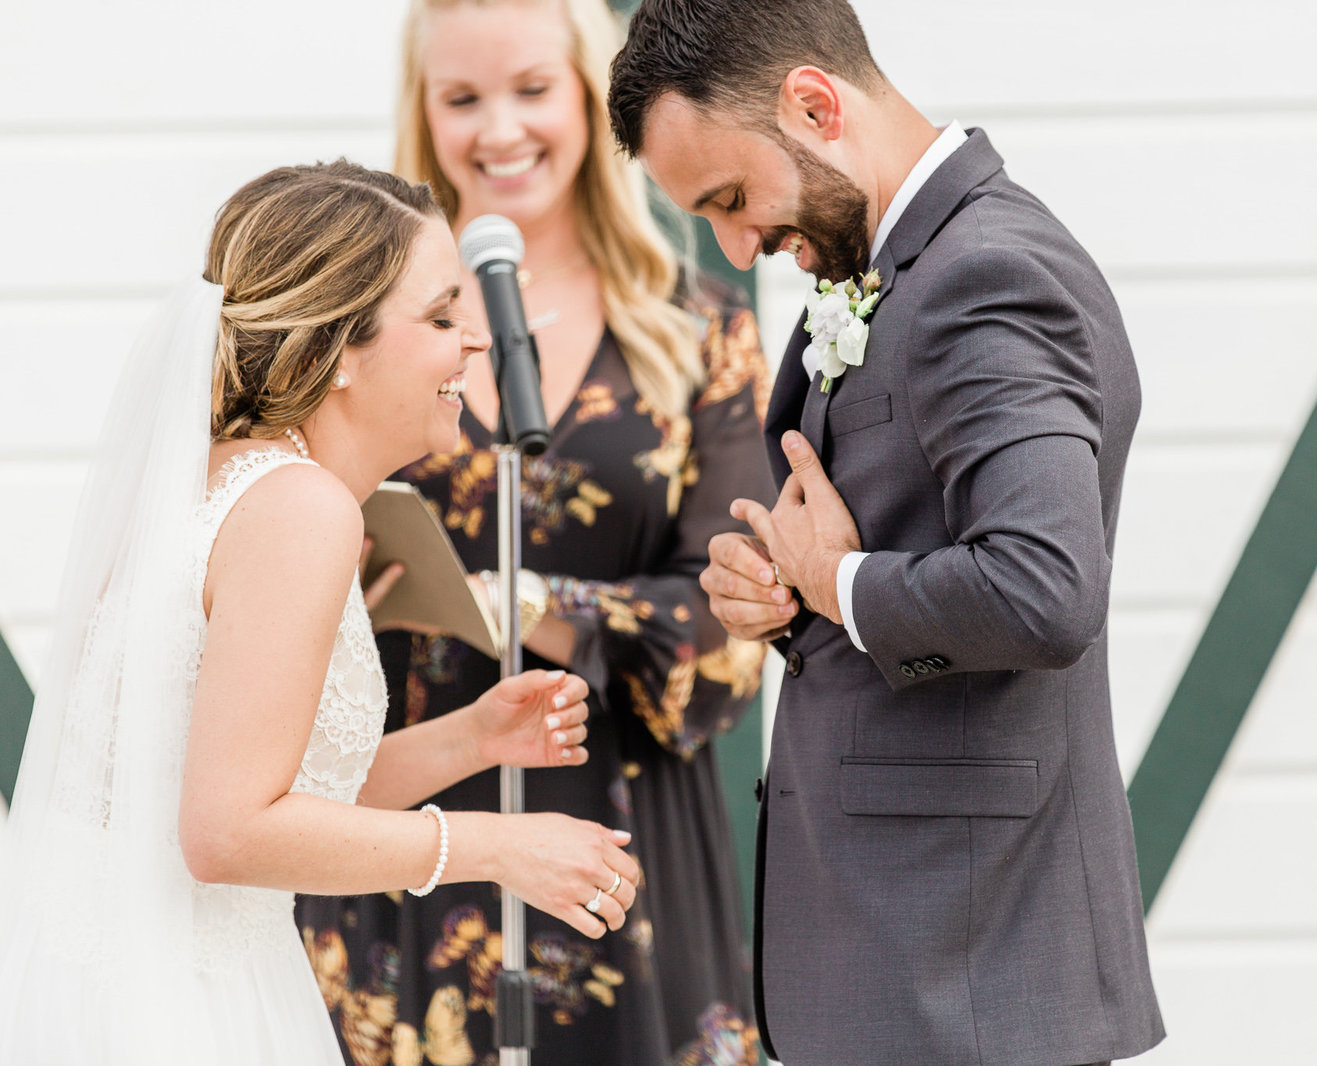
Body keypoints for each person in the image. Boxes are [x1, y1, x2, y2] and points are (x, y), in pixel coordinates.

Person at [608, 1, 1167, 1064]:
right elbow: (897, 534)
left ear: (814, 105)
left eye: (732, 199)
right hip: (906, 967)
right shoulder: (898, 263)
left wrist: (839, 581)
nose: (740, 247)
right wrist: (779, 585)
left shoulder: (982, 276)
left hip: (968, 981)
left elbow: (1044, 588)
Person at [0, 160, 642, 1066]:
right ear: (343, 349)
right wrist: (500, 847)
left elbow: (251, 786)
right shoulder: (300, 510)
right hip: (181, 1006)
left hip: (127, 978)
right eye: (440, 316)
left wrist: (470, 739)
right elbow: (226, 833)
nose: (474, 343)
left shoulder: (225, 481)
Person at [292, 2, 773, 1064]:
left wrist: (520, 602)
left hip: (622, 848)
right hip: (406, 842)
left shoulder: (700, 328)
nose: (498, 130)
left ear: (593, 101)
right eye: (462, 98)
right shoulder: (353, 330)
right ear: (422, 114)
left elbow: (732, 628)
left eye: (531, 89)